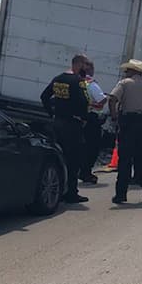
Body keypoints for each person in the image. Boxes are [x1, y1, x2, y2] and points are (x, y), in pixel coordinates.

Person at [109, 59, 142, 204]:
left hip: (128, 125)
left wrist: (114, 117)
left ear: (133, 71)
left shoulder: (124, 84)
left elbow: (112, 99)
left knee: (125, 161)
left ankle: (121, 195)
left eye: (127, 71)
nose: (125, 73)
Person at [40, 54, 90, 203]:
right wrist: (84, 118)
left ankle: (59, 191)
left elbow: (44, 96)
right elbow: (84, 101)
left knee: (59, 157)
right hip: (72, 125)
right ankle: (71, 193)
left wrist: (52, 113)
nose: (86, 68)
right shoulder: (78, 81)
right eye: (85, 64)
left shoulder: (58, 79)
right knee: (73, 159)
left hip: (57, 123)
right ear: (79, 64)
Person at [80, 61, 108, 185]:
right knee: (92, 147)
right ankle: (86, 172)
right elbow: (102, 99)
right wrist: (91, 104)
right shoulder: (91, 84)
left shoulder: (75, 82)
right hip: (90, 119)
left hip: (75, 118)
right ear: (90, 70)